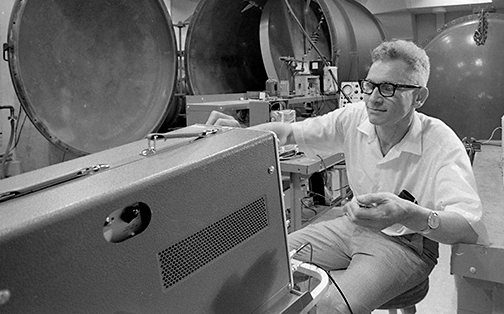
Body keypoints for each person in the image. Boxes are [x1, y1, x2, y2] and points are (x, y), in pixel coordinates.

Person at [205, 39, 486, 314]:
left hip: (407, 243)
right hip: (354, 227)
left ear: (419, 97)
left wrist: (406, 213)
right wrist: (242, 134)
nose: (374, 98)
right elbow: (290, 133)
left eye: (389, 88)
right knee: (272, 261)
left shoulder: (440, 142)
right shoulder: (353, 118)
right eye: (370, 85)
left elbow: (467, 226)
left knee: (329, 306)